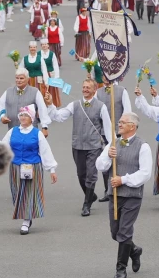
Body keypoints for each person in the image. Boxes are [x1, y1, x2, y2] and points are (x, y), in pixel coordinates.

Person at [95, 112, 151, 278]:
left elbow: (145, 173)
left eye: (122, 122)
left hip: (132, 195)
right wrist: (108, 157)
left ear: (132, 126)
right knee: (116, 233)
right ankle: (134, 250)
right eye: (119, 122)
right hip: (114, 195)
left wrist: (124, 180)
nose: (119, 125)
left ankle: (121, 268)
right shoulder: (113, 143)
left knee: (125, 231)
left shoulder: (143, 147)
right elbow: (100, 165)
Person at [45, 79, 112, 216]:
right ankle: (91, 195)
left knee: (91, 175)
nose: (85, 89)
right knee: (81, 174)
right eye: (84, 87)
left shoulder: (101, 106)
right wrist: (50, 104)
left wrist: (111, 145)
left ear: (94, 90)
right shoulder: (75, 105)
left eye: (88, 87)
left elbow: (108, 127)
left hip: (94, 146)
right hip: (77, 145)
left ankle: (86, 204)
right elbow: (58, 116)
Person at [0, 106, 58, 235]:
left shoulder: (37, 133)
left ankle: (26, 220)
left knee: (29, 193)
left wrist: (52, 170)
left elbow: (45, 151)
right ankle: (25, 215)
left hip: (32, 167)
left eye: (25, 115)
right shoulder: (12, 131)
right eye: (21, 115)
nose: (22, 118)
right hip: (16, 167)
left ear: (31, 118)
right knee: (17, 193)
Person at [96, 76, 132, 202]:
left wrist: (124, 129)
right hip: (103, 134)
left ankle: (121, 187)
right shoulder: (98, 92)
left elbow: (127, 112)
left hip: (118, 133)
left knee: (121, 161)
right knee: (106, 160)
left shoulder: (122, 91)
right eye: (103, 76)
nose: (105, 78)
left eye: (107, 76)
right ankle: (108, 189)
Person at [0, 67, 51, 132]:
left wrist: (44, 127)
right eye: (17, 78)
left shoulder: (35, 92)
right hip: (13, 131)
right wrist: (2, 117)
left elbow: (42, 109)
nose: (18, 80)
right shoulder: (8, 91)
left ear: (28, 79)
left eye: (21, 78)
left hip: (31, 131)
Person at [40, 38, 62, 107]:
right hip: (42, 74)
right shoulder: (38, 54)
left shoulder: (52, 54)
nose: (44, 46)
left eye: (45, 44)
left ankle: (53, 104)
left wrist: (56, 77)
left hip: (51, 74)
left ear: (48, 45)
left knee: (52, 90)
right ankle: (43, 104)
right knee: (43, 88)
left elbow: (55, 65)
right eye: (43, 45)